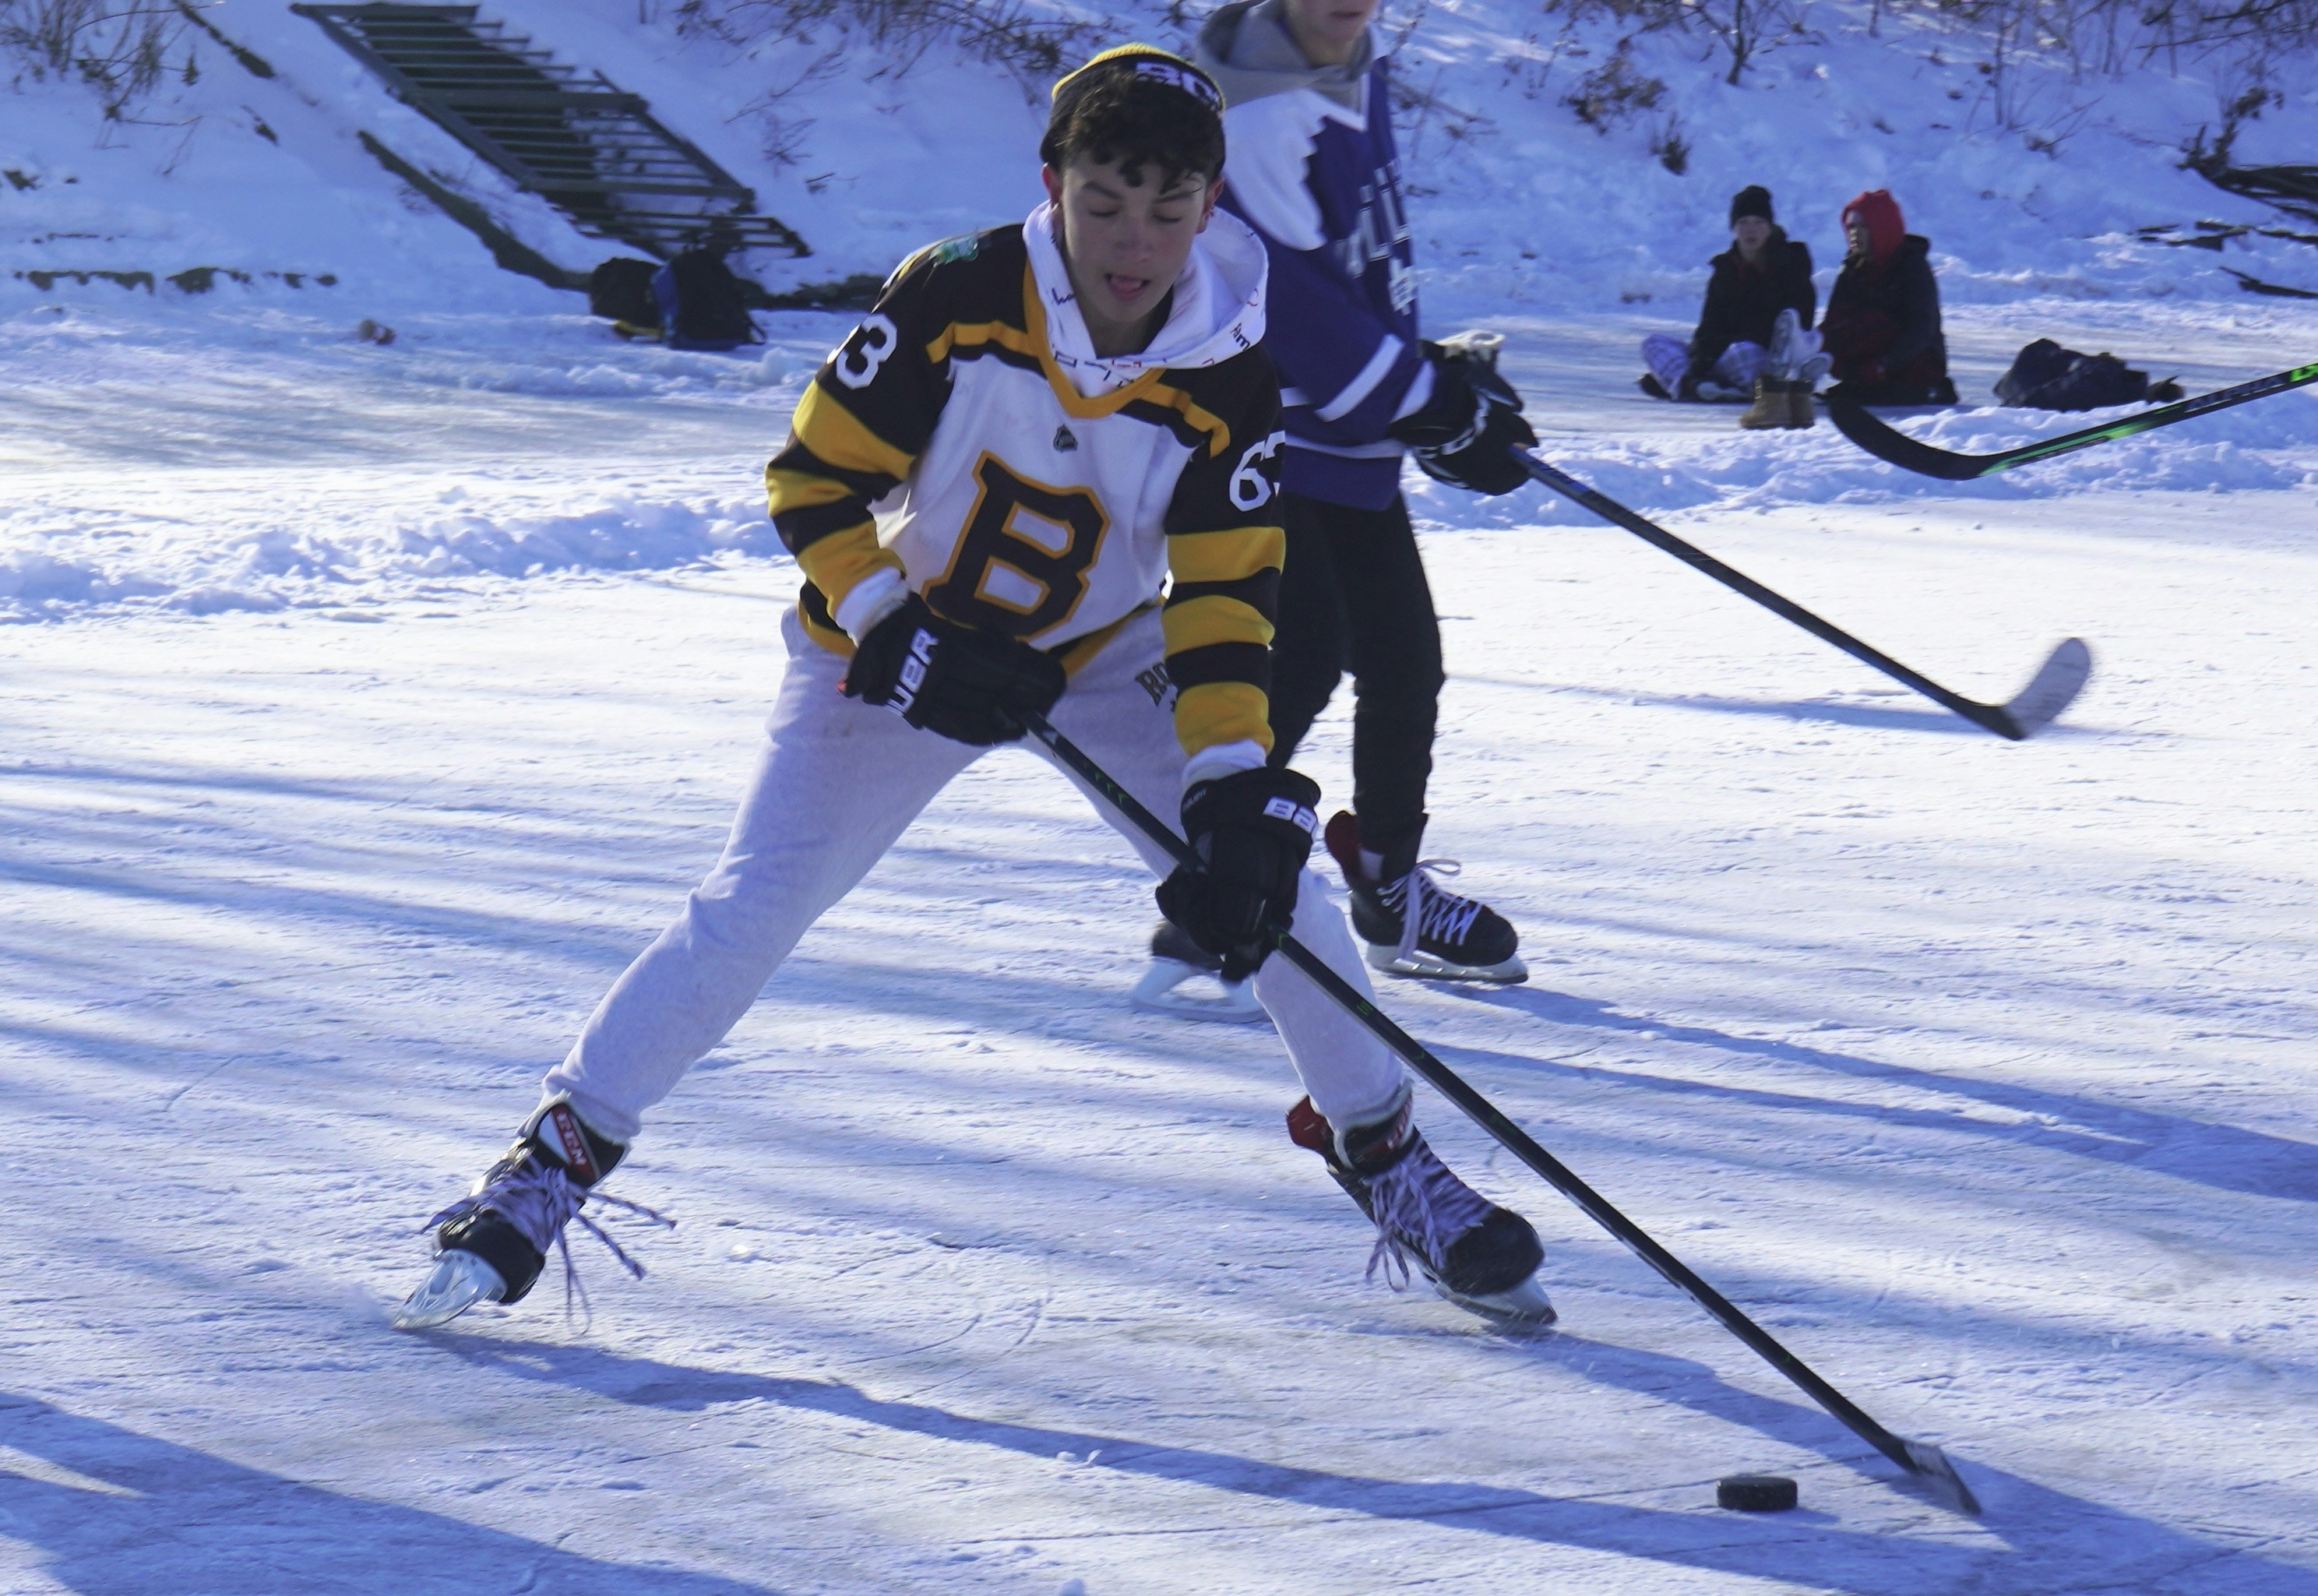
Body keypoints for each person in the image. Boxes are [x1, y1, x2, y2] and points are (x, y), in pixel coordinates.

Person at [395, 46, 1552, 1334]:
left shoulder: (1230, 358)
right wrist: (889, 620)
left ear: (1210, 205)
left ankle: (1381, 1151)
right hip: (894, 640)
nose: (1133, 243)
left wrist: (1231, 778)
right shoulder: (956, 291)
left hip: (1105, 653)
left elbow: (1228, 594)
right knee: (755, 901)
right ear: (1052, 185)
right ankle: (553, 1158)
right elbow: (810, 481)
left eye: (1168, 209)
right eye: (1104, 202)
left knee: (1279, 894)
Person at [1189, 0, 1535, 992]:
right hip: (1276, 434)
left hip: (1346, 435)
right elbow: (1294, 309)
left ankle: (1387, 888)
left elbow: (1355, 269)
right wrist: (1427, 402)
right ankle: (1210, 889)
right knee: (1298, 662)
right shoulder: (1260, 115)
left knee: (1402, 661)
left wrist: (1432, 379)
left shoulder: (1353, 60)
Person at [1639, 185, 1829, 429]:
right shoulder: (1725, 270)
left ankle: (1708, 387)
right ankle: (1694, 385)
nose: (1751, 230)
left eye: (1758, 222)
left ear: (1770, 227)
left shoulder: (1791, 269)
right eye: (1743, 222)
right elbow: (1709, 327)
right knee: (1654, 344)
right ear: (1733, 228)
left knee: (1744, 352)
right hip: (1719, 356)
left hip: (1760, 356)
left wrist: (1734, 342)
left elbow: (1795, 327)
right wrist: (1701, 363)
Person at [1820, 188, 1955, 407]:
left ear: (1882, 227)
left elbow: (1921, 330)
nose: (1855, 234)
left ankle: (1924, 389)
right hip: (1867, 364)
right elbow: (1834, 319)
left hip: (1914, 363)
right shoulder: (1852, 269)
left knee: (1872, 323)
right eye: (1851, 227)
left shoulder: (1913, 267)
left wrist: (1883, 364)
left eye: (1863, 227)